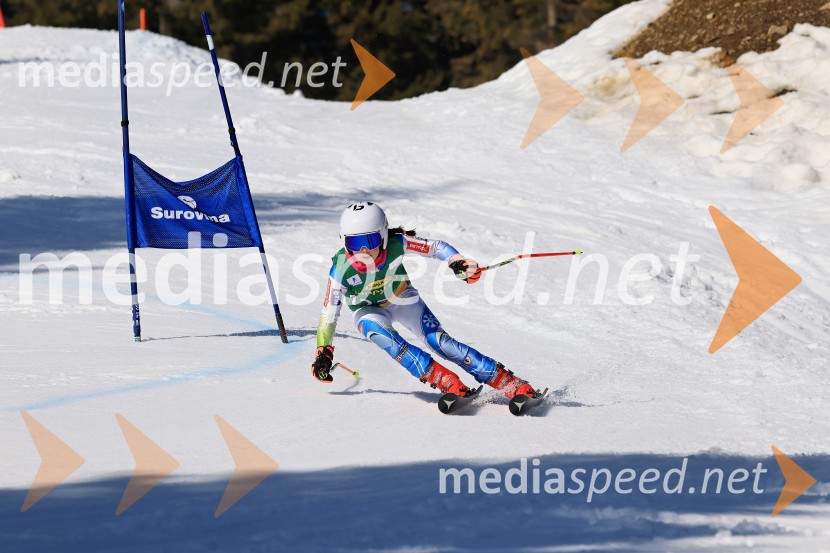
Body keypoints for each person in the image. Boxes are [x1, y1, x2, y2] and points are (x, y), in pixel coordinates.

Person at [311, 201, 539, 399]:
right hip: (367, 310)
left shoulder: (396, 243)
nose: (362, 250)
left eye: (369, 241)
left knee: (440, 343)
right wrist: (323, 352)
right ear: (343, 242)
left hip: (401, 297)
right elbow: (328, 314)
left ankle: (509, 383)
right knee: (387, 339)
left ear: (382, 235)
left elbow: (435, 247)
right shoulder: (340, 269)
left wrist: (456, 261)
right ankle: (446, 381)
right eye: (353, 243)